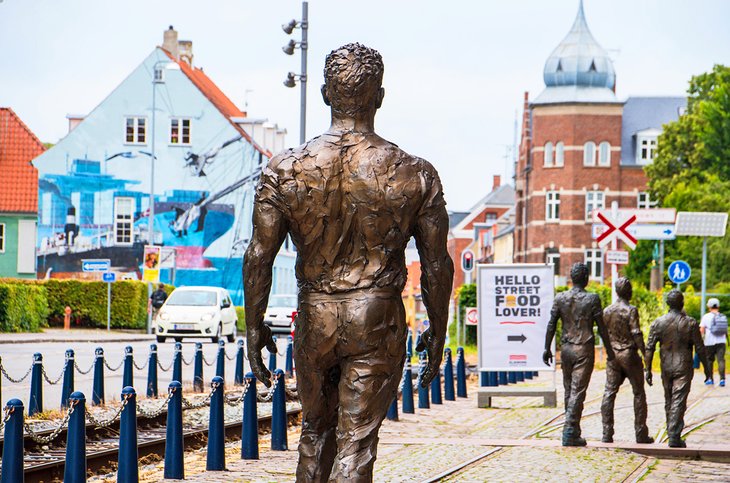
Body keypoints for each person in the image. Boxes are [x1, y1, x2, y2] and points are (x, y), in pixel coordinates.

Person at [243, 43, 453, 482]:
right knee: (355, 444)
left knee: (315, 433)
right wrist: (437, 328)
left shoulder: (283, 170)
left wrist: (254, 326)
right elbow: (436, 265)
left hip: (315, 316)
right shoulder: (415, 173)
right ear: (379, 96)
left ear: (324, 94)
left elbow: (259, 256)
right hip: (376, 317)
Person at [543, 262, 615, 446]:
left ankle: (573, 430)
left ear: (571, 278)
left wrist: (546, 348)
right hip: (583, 348)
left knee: (569, 389)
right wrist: (609, 350)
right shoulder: (592, 299)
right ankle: (569, 430)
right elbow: (602, 328)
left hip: (566, 348)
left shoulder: (560, 298)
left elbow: (551, 324)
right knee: (577, 391)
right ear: (586, 278)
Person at [645, 289, 712, 448]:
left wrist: (647, 368)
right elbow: (700, 348)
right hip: (683, 366)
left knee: (670, 399)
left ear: (667, 304)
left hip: (666, 366)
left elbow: (649, 347)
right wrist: (707, 369)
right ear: (682, 303)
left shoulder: (658, 323)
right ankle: (674, 436)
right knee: (678, 400)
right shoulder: (690, 323)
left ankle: (672, 431)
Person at [600, 277, 653, 444]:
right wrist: (645, 355)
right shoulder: (631, 310)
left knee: (609, 392)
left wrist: (609, 350)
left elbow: (603, 333)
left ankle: (606, 433)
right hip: (629, 354)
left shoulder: (607, 310)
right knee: (638, 392)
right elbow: (636, 333)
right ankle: (640, 433)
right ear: (628, 292)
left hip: (613, 355)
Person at [699, 297, 727, 387]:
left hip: (709, 342)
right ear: (718, 306)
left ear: (709, 306)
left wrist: (700, 339)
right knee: (721, 360)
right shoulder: (722, 316)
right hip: (722, 341)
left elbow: (702, 330)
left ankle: (710, 379)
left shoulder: (706, 316)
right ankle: (722, 379)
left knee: (709, 360)